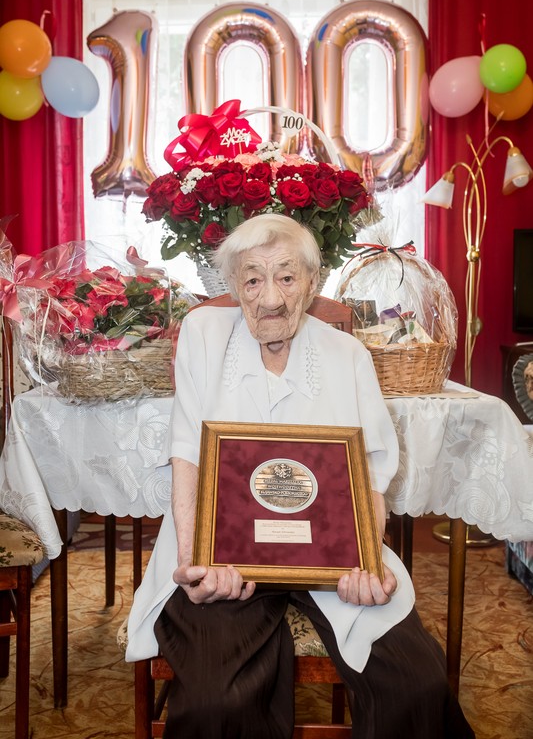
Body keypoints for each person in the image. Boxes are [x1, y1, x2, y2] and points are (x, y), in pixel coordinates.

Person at [126, 213, 475, 739]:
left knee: (416, 684)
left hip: (330, 556)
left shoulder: (348, 355)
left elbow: (370, 475)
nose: (270, 298)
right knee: (218, 700)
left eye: (286, 277)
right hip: (224, 553)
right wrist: (196, 563)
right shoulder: (202, 333)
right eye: (252, 279)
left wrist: (364, 557)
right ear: (234, 286)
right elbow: (187, 455)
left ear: (312, 283)